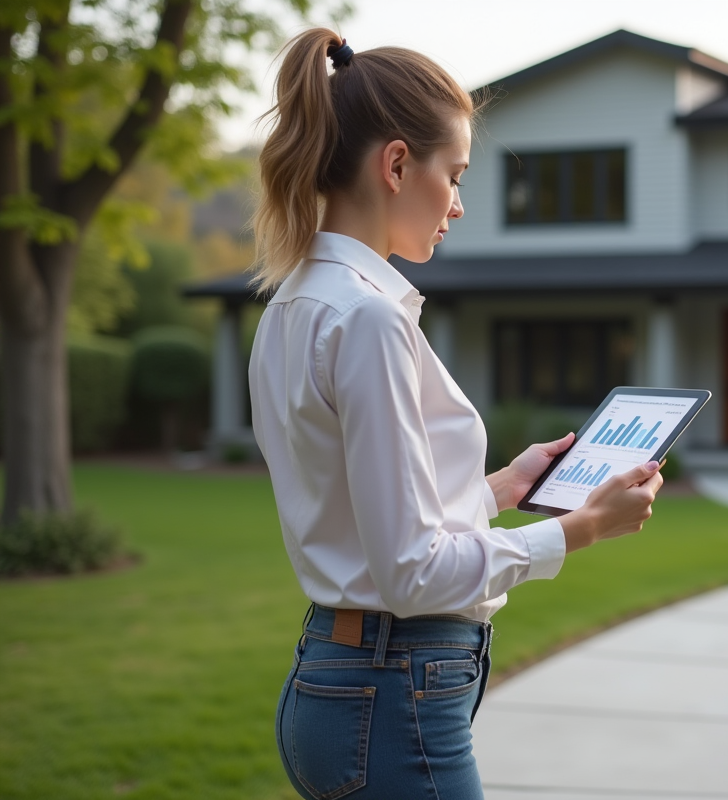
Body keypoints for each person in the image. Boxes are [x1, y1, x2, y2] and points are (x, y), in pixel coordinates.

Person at [247, 28, 665, 800]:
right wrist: (579, 529)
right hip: (394, 687)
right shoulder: (368, 320)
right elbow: (411, 573)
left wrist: (507, 485)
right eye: (456, 174)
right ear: (398, 164)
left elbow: (380, 524)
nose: (461, 205)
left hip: (340, 681)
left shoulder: (294, 307)